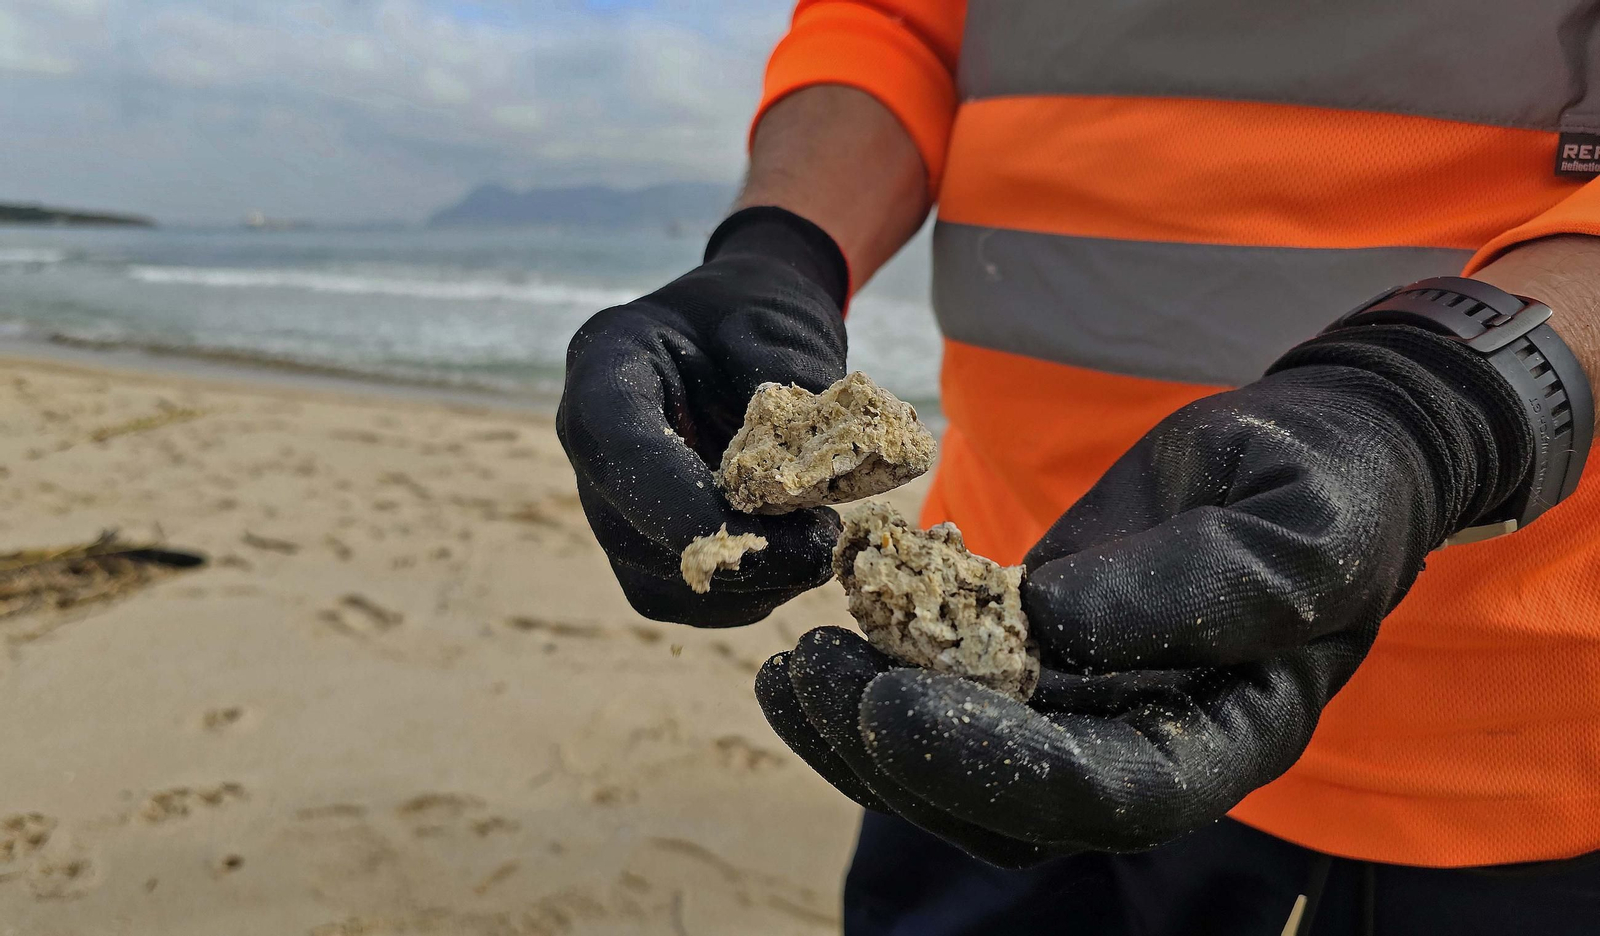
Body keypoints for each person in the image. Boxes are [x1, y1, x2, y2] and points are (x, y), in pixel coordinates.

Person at [557, 2, 1600, 932]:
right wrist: (780, 246)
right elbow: (895, 22)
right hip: (996, 628)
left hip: (1474, 729)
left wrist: (1438, 405)